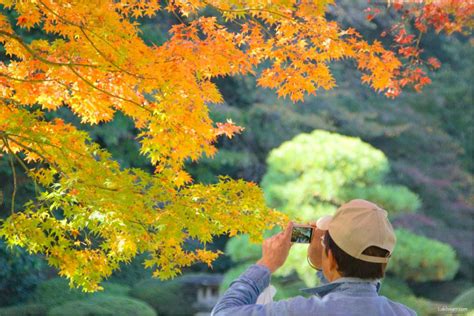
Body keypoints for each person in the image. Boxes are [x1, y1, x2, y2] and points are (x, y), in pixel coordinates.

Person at [211, 199, 417, 315]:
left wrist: (266, 264)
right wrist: (326, 262)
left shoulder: (298, 311)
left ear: (332, 259)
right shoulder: (405, 313)